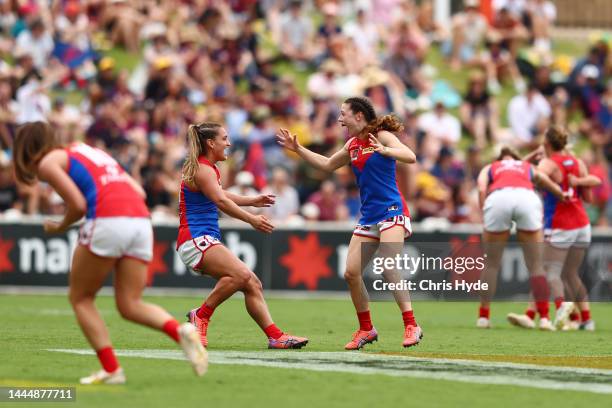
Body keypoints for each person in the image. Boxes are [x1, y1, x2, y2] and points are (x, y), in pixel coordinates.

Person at [12, 122, 207, 384]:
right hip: (139, 220)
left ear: (25, 149)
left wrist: (60, 225)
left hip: (107, 219)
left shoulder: (49, 161)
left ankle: (112, 370)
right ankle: (180, 331)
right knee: (130, 304)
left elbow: (79, 205)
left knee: (81, 298)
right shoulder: (88, 150)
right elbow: (137, 190)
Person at [277, 96, 422, 349]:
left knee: (388, 268)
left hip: (392, 210)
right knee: (351, 273)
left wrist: (386, 151)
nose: (339, 118)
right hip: (369, 216)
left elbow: (409, 156)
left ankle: (411, 324)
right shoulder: (352, 144)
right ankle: (366, 329)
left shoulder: (382, 136)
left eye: (343, 113)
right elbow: (328, 164)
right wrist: (298, 149)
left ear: (358, 115)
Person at [178, 122, 308, 349]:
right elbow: (220, 201)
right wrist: (252, 219)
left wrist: (252, 200)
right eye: (224, 139)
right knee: (241, 275)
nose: (228, 143)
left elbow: (219, 194)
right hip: (196, 239)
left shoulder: (207, 168)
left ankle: (275, 336)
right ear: (211, 143)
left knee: (252, 283)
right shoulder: (204, 169)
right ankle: (201, 314)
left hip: (200, 239)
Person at [507, 126, 601, 331]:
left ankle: (562, 310)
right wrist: (578, 182)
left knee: (549, 272)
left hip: (560, 223)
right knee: (571, 273)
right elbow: (588, 198)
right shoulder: (578, 163)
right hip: (582, 224)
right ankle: (586, 319)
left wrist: (556, 189)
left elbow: (528, 173)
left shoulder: (549, 163)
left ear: (547, 144)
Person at [476, 146, 566, 330]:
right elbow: (545, 181)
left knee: (491, 264)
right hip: (527, 198)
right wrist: (561, 194)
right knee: (536, 265)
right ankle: (544, 319)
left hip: (498, 198)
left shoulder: (491, 167)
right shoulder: (526, 166)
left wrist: (485, 211)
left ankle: (483, 317)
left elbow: (481, 188)